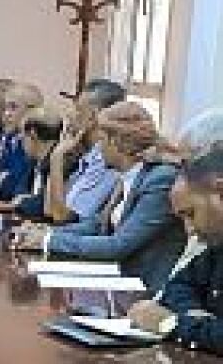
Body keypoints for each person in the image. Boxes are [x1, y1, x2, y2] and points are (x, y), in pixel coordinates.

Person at [13, 102, 186, 293]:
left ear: (117, 142)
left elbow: (118, 245)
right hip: (116, 279)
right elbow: (99, 224)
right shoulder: (130, 174)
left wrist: (48, 240)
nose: (98, 147)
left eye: (102, 140)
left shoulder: (160, 179)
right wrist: (47, 232)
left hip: (144, 289)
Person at [127, 141, 223, 354]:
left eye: (191, 214)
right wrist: (193, 315)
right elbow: (179, 285)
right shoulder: (217, 246)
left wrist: (171, 324)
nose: (189, 230)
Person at [45, 78, 124, 223]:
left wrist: (56, 157)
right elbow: (48, 209)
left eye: (77, 109)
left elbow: (61, 217)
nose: (69, 115)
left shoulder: (104, 161)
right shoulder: (86, 155)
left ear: (92, 117)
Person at [5, 107, 63, 216]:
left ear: (33, 135)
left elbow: (45, 207)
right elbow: (16, 193)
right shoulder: (33, 162)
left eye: (22, 136)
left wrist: (24, 201)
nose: (21, 140)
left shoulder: (59, 163)